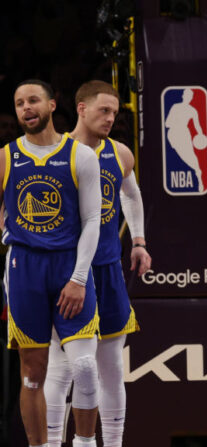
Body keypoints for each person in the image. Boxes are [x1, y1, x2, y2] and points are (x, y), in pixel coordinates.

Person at [43, 80, 151, 447]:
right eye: (104, 110)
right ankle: (55, 441)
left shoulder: (119, 153)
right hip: (66, 272)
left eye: (115, 113)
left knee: (111, 368)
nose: (110, 118)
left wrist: (138, 241)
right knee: (66, 367)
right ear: (81, 109)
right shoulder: (55, 152)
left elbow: (132, 197)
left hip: (108, 269)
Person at [1, 79, 102, 447]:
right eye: (18, 103)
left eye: (32, 101)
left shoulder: (80, 155)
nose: (25, 108)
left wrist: (77, 278)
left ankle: (85, 444)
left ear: (52, 105)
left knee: (85, 367)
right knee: (32, 374)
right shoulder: (6, 156)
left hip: (68, 266)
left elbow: (93, 220)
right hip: (24, 268)